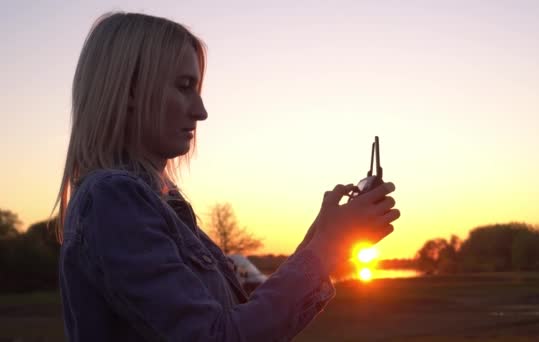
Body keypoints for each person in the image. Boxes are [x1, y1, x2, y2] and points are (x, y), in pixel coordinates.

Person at [53, 11, 400, 341]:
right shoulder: (113, 201)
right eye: (184, 86)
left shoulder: (153, 202)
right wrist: (329, 247)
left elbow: (240, 317)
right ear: (129, 90)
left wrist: (320, 238)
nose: (201, 111)